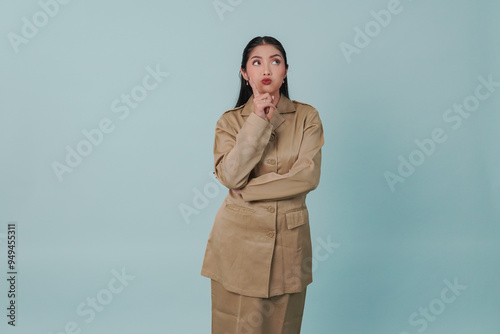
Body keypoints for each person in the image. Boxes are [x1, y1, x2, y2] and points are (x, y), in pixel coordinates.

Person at [201, 36, 324, 334]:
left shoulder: (306, 117)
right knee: (234, 325)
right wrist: (256, 120)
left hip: (288, 243)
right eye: (256, 62)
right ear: (245, 73)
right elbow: (230, 177)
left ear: (285, 71)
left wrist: (250, 190)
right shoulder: (229, 122)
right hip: (237, 242)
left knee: (284, 325)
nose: (266, 68)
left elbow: (307, 175)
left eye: (275, 61)